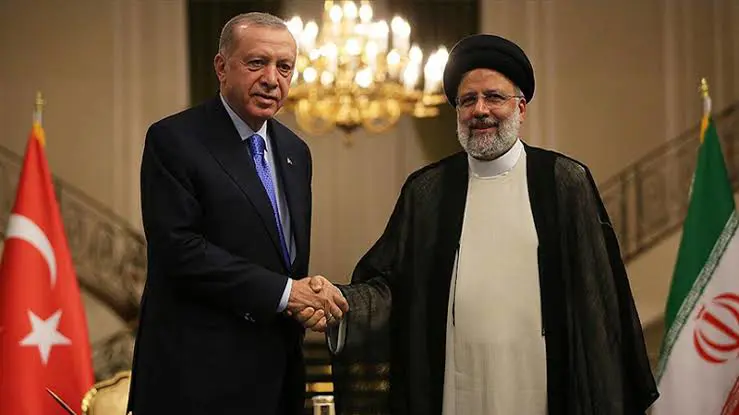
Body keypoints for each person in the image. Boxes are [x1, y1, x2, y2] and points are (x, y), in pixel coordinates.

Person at [324, 34, 659, 415]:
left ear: (521, 108)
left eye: (494, 97)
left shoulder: (563, 181)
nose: (480, 110)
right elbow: (392, 287)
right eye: (468, 100)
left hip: (540, 386)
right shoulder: (428, 191)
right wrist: (340, 304)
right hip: (455, 386)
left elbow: (597, 296)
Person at [127, 12, 348, 415]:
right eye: (256, 63)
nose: (271, 79)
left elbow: (280, 255)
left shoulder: (296, 151)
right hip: (197, 381)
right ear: (221, 67)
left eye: (284, 67)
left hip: (278, 376)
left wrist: (306, 292)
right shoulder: (174, 140)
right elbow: (179, 249)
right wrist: (287, 293)